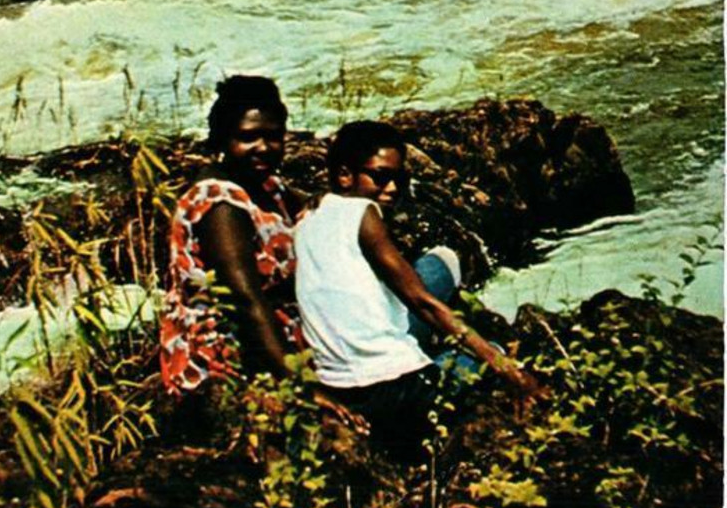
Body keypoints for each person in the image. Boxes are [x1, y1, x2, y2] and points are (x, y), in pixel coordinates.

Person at [294, 120, 544, 453]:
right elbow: (423, 303)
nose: (393, 188)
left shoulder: (307, 217)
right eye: (381, 176)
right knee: (486, 349)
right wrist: (509, 372)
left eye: (399, 178)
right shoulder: (363, 211)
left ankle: (445, 273)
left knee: (434, 268)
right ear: (344, 175)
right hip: (393, 391)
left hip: (337, 385)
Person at [160, 75, 303, 396]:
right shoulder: (219, 203)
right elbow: (246, 299)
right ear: (223, 139)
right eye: (248, 137)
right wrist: (302, 386)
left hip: (280, 339)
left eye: (273, 137)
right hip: (229, 361)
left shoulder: (269, 188)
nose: (263, 148)